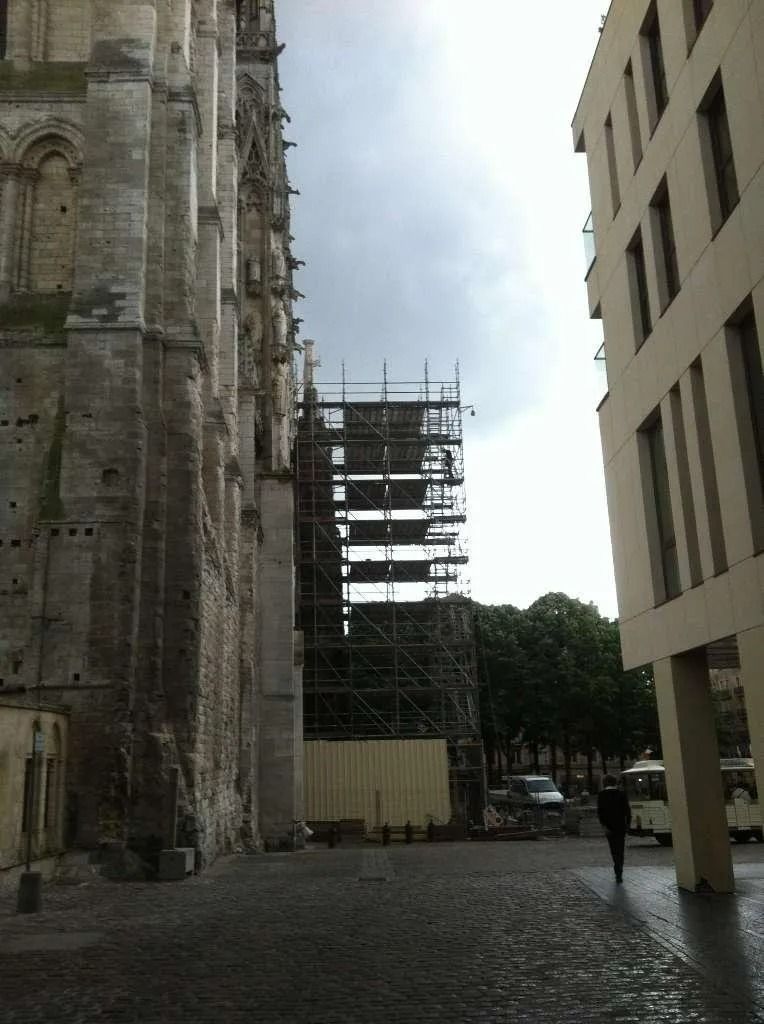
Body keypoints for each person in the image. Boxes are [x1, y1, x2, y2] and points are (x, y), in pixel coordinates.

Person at [597, 774, 631, 883]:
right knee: (620, 850)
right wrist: (628, 825)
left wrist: (604, 826)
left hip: (609, 827)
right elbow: (628, 811)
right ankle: (619, 870)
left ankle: (617, 869)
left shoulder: (601, 795)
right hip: (621, 826)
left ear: (605, 783)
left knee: (614, 849)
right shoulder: (621, 794)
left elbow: (600, 812)